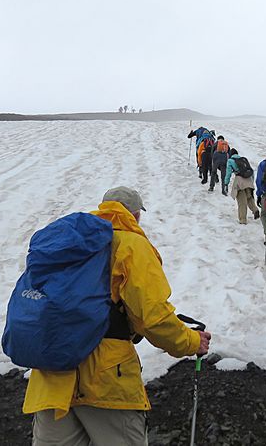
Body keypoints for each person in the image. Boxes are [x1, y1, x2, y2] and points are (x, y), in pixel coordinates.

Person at [23, 186, 212, 445]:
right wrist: (190, 341)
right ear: (135, 215)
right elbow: (153, 316)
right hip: (106, 378)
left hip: (51, 374)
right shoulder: (131, 244)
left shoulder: (67, 243)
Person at [224, 149, 260, 224]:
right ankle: (255, 210)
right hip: (249, 180)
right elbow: (251, 171)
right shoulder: (243, 160)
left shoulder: (230, 161)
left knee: (241, 201)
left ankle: (242, 220)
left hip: (240, 181)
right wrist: (251, 183)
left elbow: (228, 173)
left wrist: (226, 183)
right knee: (249, 197)